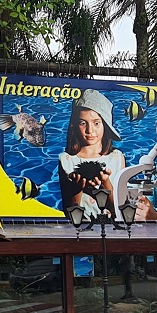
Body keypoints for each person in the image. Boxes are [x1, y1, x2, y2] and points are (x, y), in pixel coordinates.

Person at [57, 89, 126, 219]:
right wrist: (77, 189)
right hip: (80, 231)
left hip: (113, 230)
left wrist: (105, 183)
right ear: (74, 125)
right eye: (83, 123)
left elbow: (118, 209)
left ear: (105, 125)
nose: (90, 130)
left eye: (96, 123)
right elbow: (70, 212)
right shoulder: (65, 160)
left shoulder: (117, 158)